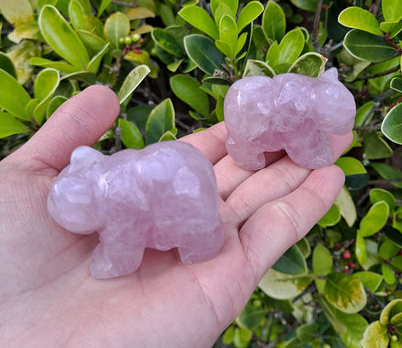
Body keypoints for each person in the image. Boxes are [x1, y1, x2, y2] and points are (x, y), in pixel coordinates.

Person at [0, 85, 352, 347]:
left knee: (195, 230)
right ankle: (201, 238)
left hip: (183, 192)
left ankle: (201, 241)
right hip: (182, 182)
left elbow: (121, 254)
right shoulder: (110, 181)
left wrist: (108, 262)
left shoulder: (116, 197)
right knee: (194, 226)